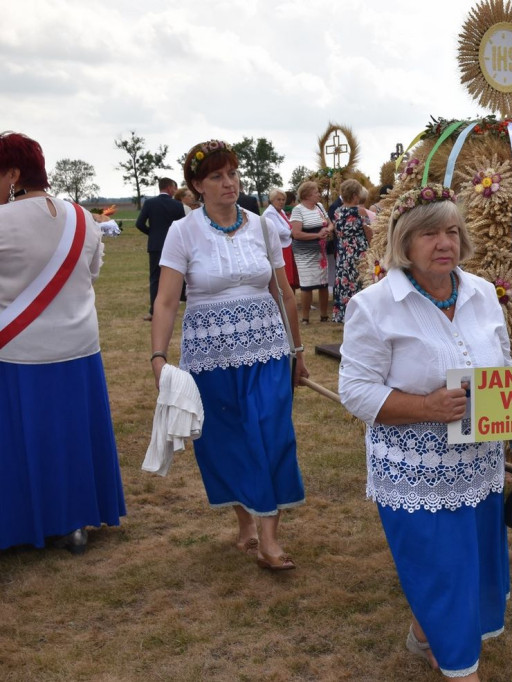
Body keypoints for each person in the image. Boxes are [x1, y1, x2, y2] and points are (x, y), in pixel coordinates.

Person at [338, 183, 512, 682]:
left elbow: (504, 374)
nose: (444, 242)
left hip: (478, 466)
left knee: (466, 566)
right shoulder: (374, 305)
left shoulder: (482, 293)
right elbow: (356, 392)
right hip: (417, 471)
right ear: (404, 242)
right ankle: (460, 668)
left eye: (451, 230)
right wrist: (425, 406)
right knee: (443, 572)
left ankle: (425, 634)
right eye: (429, 233)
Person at [151, 139, 308, 571]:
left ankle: (270, 540)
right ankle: (245, 519)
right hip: (210, 357)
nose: (229, 183)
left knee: (272, 433)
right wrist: (158, 357)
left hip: (268, 352)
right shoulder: (183, 232)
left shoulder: (262, 227)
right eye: (217, 176)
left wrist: (297, 351)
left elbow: (284, 293)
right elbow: (166, 301)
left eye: (233, 173)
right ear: (198, 185)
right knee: (226, 440)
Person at [0, 131, 125, 553]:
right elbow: (91, 274)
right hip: (80, 346)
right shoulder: (83, 217)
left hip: (18, 350)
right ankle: (75, 521)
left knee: (23, 441)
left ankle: (22, 522)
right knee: (73, 435)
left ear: (12, 174)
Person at [136, 177, 186, 321]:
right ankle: (179, 303)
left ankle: (154, 311)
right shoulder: (177, 205)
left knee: (155, 279)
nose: (175, 191)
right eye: (174, 188)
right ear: (169, 188)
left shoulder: (149, 203)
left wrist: (152, 234)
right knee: (178, 276)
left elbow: (139, 223)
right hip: (174, 245)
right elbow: (183, 226)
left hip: (156, 245)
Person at [289, 180, 332, 323]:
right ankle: (305, 317)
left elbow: (330, 224)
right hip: (304, 253)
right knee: (307, 284)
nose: (319, 195)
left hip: (321, 252)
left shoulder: (320, 206)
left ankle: (324, 315)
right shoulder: (298, 210)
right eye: (316, 192)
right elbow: (296, 234)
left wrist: (327, 230)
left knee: (323, 283)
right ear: (307, 195)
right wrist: (317, 235)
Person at [331, 178, 373, 323]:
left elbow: (337, 232)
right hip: (359, 253)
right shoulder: (361, 212)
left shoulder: (337, 212)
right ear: (355, 195)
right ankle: (362, 316)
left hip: (343, 254)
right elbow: (369, 233)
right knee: (361, 283)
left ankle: (345, 315)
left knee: (345, 284)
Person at [263, 188, 299, 291]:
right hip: (280, 247)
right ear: (272, 200)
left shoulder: (280, 211)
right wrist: (293, 233)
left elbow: (289, 224)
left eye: (283, 200)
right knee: (285, 277)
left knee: (291, 277)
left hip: (287, 245)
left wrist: (292, 230)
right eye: (278, 199)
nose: (281, 202)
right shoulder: (270, 213)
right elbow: (279, 231)